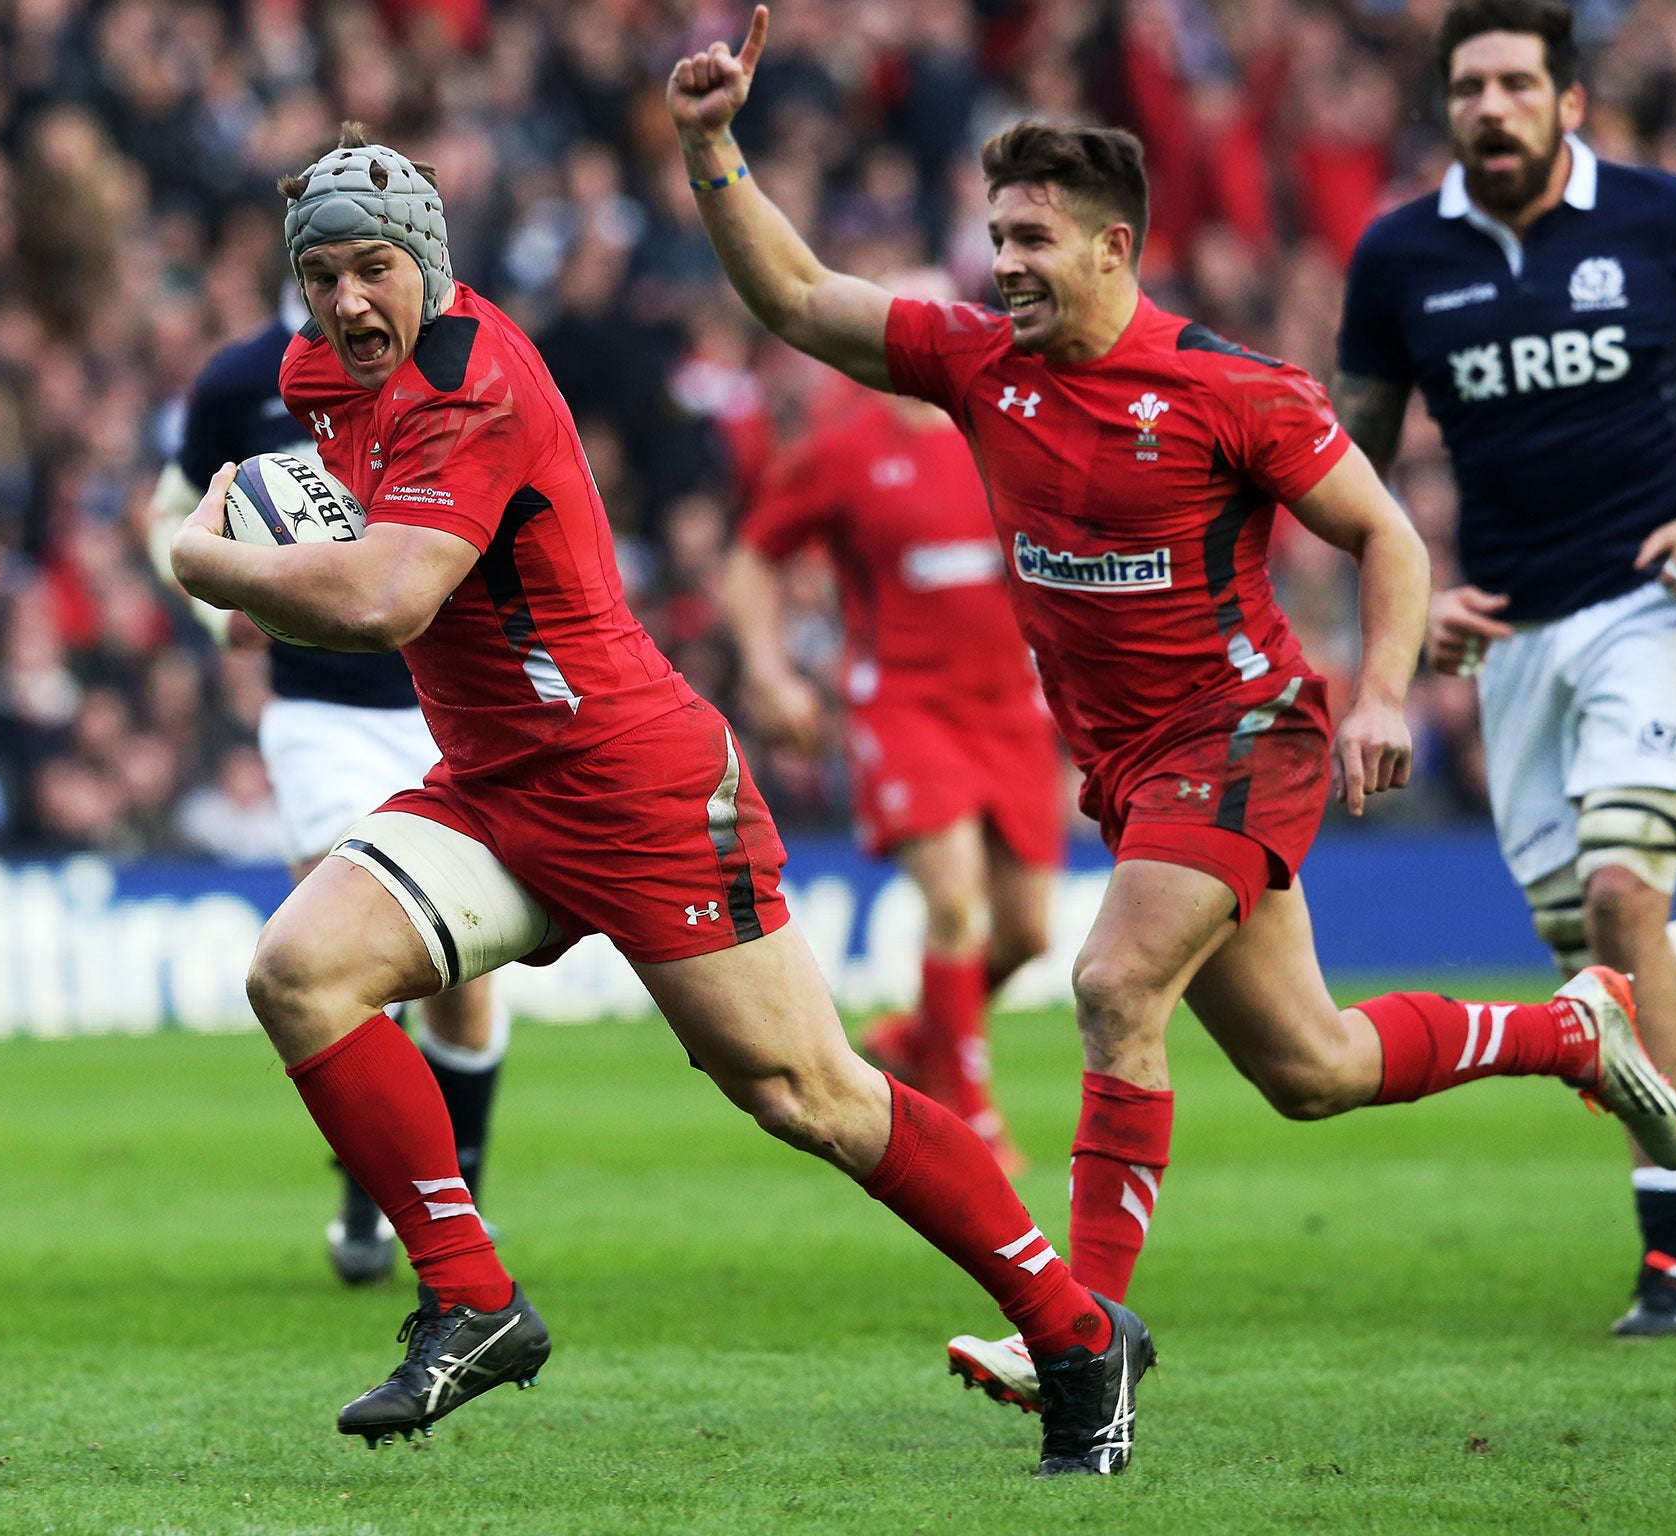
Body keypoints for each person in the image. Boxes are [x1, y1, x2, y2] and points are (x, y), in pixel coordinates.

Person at [670, 6, 1676, 1423]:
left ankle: (1081, 1330)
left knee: (1108, 985)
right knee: (1312, 1068)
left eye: (1033, 240)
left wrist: (1385, 688)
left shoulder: (1231, 391)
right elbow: (795, 296)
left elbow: (1389, 541)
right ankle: (1572, 1033)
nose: (1006, 263)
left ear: (1111, 248)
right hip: (1132, 768)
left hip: (1246, 734)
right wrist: (711, 145)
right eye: (998, 237)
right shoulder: (978, 366)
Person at [170, 121, 1148, 1479]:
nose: (347, 301)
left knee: (809, 1095)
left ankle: (1073, 1333)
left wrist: (212, 566)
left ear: (431, 267)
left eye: (374, 269)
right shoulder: (313, 375)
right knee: (297, 972)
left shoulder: (477, 380)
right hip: (495, 786)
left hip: (635, 784)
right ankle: (471, 1294)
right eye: (322, 273)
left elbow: (386, 599)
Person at [1332, 0, 1676, 1336]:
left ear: (1568, 102)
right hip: (1512, 638)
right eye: (1470, 86)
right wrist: (1416, 614)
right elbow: (1342, 468)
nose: (1493, 106)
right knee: (1605, 962)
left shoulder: (1665, 220)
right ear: (1448, 106)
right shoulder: (1398, 257)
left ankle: (1675, 1262)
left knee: (1621, 891)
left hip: (1663, 601)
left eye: (1520, 83)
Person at [146, 293, 510, 1288]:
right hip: (318, 713)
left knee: (460, 985)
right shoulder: (239, 379)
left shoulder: (448, 370)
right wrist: (207, 596)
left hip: (447, 705)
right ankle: (377, 1185)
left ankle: (454, 1193)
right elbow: (168, 508)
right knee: (341, 948)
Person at [724, 278, 1064, 1174]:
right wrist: (769, 671)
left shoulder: (1006, 432)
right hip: (904, 703)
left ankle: (920, 1033)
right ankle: (972, 1116)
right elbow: (751, 561)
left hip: (1011, 710)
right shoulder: (839, 450)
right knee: (954, 902)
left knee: (1025, 932)